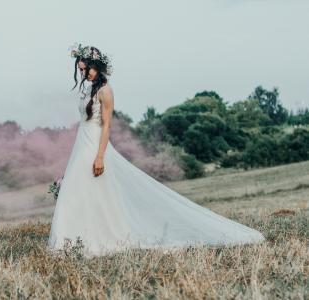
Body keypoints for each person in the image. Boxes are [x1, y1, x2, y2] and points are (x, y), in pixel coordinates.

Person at [47, 43, 265, 258]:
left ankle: (95, 237)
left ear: (98, 66)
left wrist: (100, 156)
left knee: (87, 188)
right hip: (82, 142)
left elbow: (106, 126)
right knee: (78, 190)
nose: (85, 73)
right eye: (82, 70)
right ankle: (72, 238)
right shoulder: (88, 88)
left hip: (94, 144)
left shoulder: (106, 91)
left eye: (87, 69)